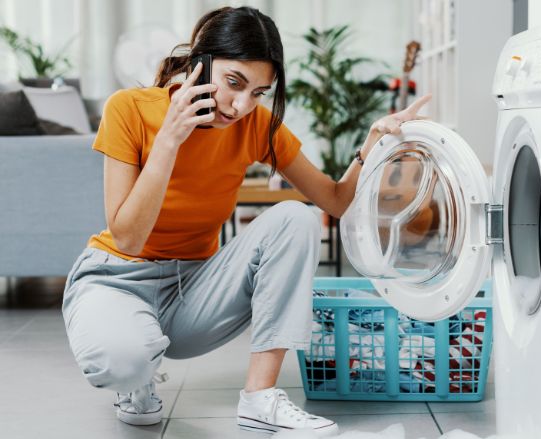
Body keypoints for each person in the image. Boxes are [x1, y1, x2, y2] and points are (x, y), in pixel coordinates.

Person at [61, 6, 430, 436]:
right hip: (117, 278)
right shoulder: (129, 109)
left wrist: (374, 141)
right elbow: (127, 236)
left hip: (193, 291)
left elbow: (333, 200)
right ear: (200, 62)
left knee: (297, 218)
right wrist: (169, 140)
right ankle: (136, 377)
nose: (240, 106)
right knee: (125, 362)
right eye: (234, 83)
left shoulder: (256, 125)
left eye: (258, 92)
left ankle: (260, 398)